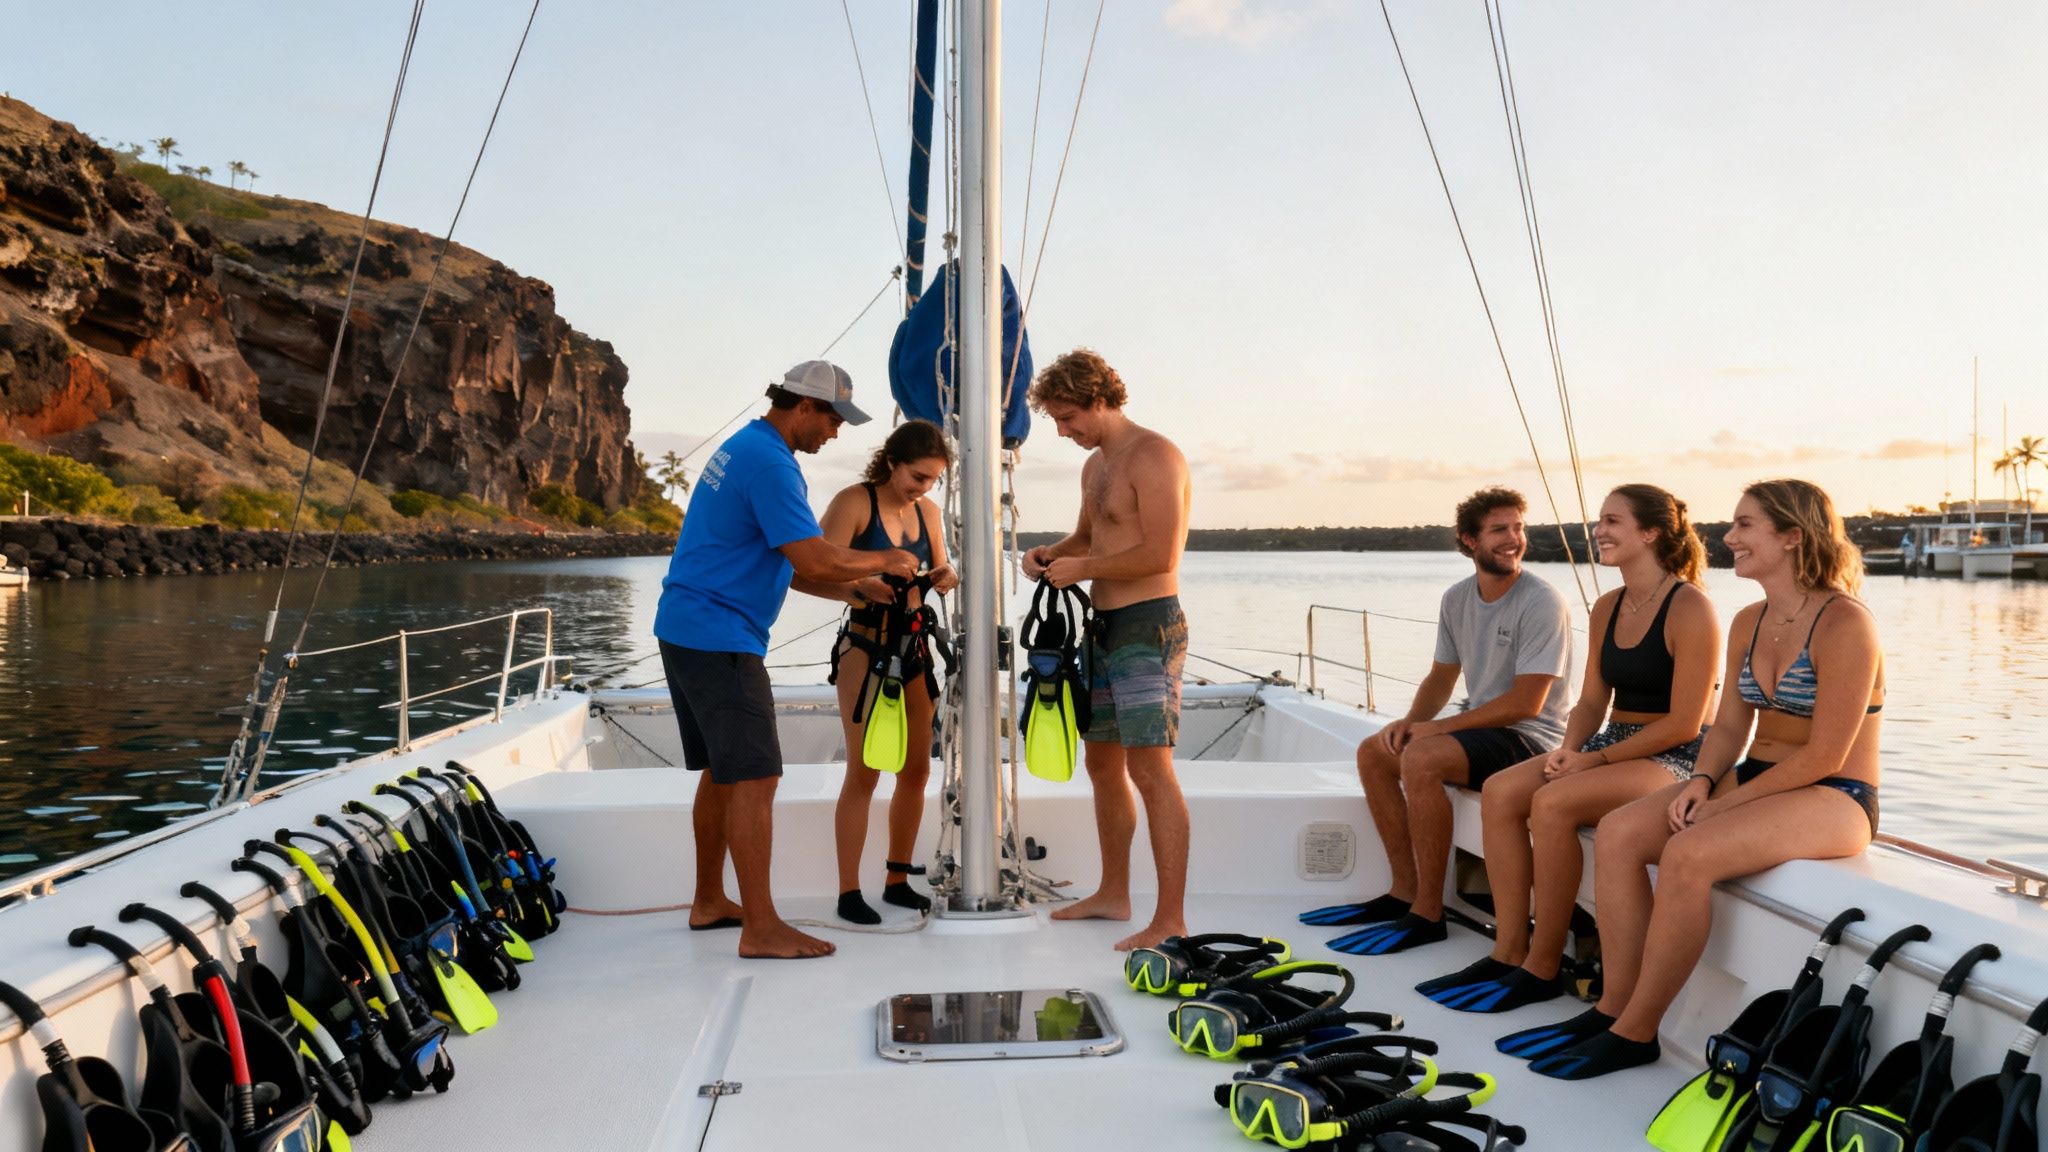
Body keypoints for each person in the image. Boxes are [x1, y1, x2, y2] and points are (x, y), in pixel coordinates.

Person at [1514, 479, 1884, 1079]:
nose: (1728, 537)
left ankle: (1637, 1033)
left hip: (1836, 794)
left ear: (1792, 537)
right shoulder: (1748, 620)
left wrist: (1718, 809)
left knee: (1688, 854)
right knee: (1619, 833)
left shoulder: (1845, 623)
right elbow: (1729, 727)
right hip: (1756, 775)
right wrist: (1703, 781)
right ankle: (1612, 1007)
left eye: (1745, 526)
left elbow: (1824, 754)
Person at [1418, 484, 1719, 1014]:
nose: (1598, 530)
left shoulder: (1690, 606)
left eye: (1612, 521)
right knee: (1503, 790)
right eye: (1599, 520)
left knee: (1553, 803)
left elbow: (1685, 722)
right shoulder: (1608, 605)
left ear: (1650, 533)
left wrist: (1592, 761)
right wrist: (1570, 748)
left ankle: (1543, 963)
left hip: (1677, 756)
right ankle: (1510, 950)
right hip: (1610, 742)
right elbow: (1591, 700)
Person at [654, 360, 917, 960]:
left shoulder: (745, 448)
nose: (836, 431)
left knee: (723, 773)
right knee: (754, 777)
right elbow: (816, 557)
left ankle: (708, 901)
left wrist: (854, 591)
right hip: (720, 636)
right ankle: (762, 928)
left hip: (687, 626)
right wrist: (884, 562)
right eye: (831, 417)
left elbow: (792, 568)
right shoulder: (771, 464)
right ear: (801, 405)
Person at [1300, 487, 1572, 956]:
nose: (1514, 539)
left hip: (1533, 738)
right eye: (1499, 530)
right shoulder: (1457, 598)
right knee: (1374, 752)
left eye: (1518, 528)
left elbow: (1528, 703)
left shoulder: (1541, 601)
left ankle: (1428, 913)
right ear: (1469, 541)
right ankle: (1403, 892)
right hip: (1483, 726)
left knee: (1423, 757)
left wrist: (1436, 731)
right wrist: (1409, 722)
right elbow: (1442, 677)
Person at [1020, 348, 1192, 952]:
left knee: (1151, 769)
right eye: (1057, 421)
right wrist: (1049, 554)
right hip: (1102, 627)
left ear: (1098, 399)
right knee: (1101, 765)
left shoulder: (1155, 456)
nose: (1063, 431)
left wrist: (1084, 566)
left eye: (1068, 418)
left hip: (1149, 625)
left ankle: (1169, 917)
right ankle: (1113, 894)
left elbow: (1162, 555)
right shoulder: (1095, 467)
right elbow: (1088, 537)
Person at [820, 420, 959, 924]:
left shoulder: (930, 513)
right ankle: (848, 891)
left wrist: (946, 576)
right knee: (864, 769)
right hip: (866, 645)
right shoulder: (854, 503)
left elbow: (941, 571)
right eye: (918, 477)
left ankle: (897, 880)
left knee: (917, 769)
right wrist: (860, 585)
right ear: (893, 462)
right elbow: (809, 570)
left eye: (933, 480)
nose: (925, 487)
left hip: (916, 643)